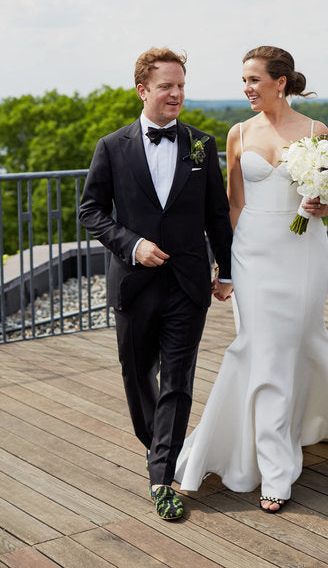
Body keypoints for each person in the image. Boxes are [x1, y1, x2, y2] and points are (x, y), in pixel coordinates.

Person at [174, 45, 328, 512]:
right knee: (263, 350)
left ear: (281, 82)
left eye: (254, 79)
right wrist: (226, 265)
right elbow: (233, 206)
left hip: (303, 251)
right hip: (254, 253)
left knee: (301, 342)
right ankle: (276, 471)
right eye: (243, 80)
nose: (246, 88)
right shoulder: (238, 133)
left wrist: (327, 205)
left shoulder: (317, 132)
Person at [79, 47, 233, 520]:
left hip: (188, 283)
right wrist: (132, 244)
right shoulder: (111, 146)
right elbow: (90, 212)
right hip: (134, 283)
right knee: (137, 373)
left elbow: (216, 215)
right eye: (167, 86)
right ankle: (157, 447)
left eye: (182, 85)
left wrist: (226, 271)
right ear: (143, 90)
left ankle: (161, 476)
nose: (177, 94)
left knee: (179, 380)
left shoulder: (202, 145)